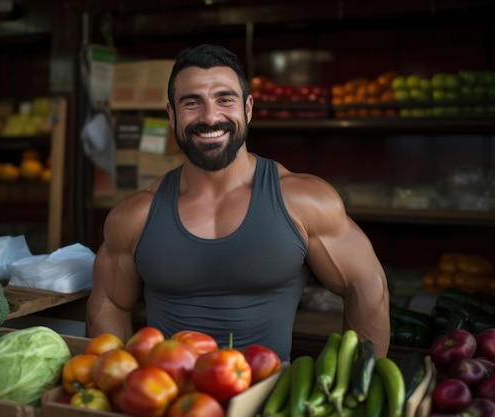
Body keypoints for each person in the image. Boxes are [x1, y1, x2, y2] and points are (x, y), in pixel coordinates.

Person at [86, 44, 390, 360]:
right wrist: (114, 383)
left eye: (225, 100)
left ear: (247, 108)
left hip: (264, 400)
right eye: (192, 103)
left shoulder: (302, 200)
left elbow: (367, 286)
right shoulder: (134, 215)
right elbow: (109, 305)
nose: (210, 116)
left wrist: (359, 386)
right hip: (167, 398)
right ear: (171, 114)